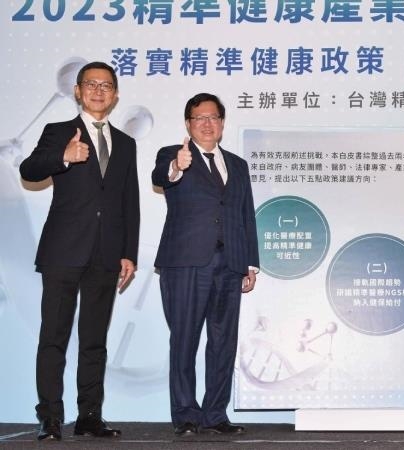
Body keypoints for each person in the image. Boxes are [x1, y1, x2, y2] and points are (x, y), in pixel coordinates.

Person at [19, 61, 140, 441]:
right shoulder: (58, 132)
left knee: (94, 341)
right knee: (53, 337)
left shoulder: (126, 143)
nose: (98, 91)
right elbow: (29, 170)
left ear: (115, 95)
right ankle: (50, 416)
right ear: (77, 91)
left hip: (106, 255)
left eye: (106, 85)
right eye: (91, 84)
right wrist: (63, 157)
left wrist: (129, 252)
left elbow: (129, 200)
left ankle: (89, 415)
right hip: (63, 251)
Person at [152, 93, 259, 436]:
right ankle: (186, 414)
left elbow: (245, 214)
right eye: (199, 118)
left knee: (223, 342)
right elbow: (161, 175)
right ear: (188, 124)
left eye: (213, 117)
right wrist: (177, 166)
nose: (207, 123)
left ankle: (215, 414)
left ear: (223, 123)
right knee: (184, 339)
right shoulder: (173, 155)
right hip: (186, 264)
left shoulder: (237, 165)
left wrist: (250, 262)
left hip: (231, 264)